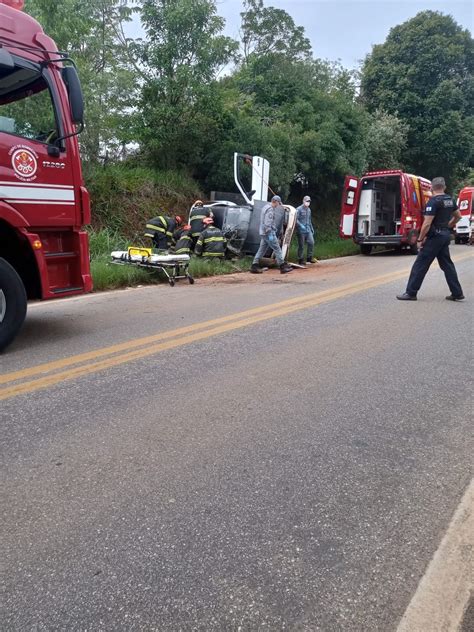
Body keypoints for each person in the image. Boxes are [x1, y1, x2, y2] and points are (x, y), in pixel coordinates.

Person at [397, 177, 464, 301]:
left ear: (432, 188)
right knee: (447, 265)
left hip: (435, 237)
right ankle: (457, 293)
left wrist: (419, 240)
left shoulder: (433, 202)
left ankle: (411, 293)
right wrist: (447, 226)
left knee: (420, 264)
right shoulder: (450, 200)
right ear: (444, 187)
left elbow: (427, 223)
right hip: (445, 236)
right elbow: (458, 216)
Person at [250, 195, 292, 274]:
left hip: (263, 233)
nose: (278, 205)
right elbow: (267, 224)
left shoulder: (265, 207)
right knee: (277, 249)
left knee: (261, 249)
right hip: (268, 233)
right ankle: (282, 266)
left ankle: (254, 265)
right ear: (275, 202)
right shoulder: (270, 210)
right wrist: (270, 234)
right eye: (278, 203)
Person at [296, 195, 317, 265]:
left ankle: (309, 257)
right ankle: (300, 259)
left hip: (308, 230)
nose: (308, 202)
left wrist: (311, 228)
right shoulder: (298, 209)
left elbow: (309, 220)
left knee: (311, 242)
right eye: (307, 201)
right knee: (301, 245)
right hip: (301, 230)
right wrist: (300, 225)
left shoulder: (309, 210)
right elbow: (295, 219)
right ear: (303, 201)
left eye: (309, 201)